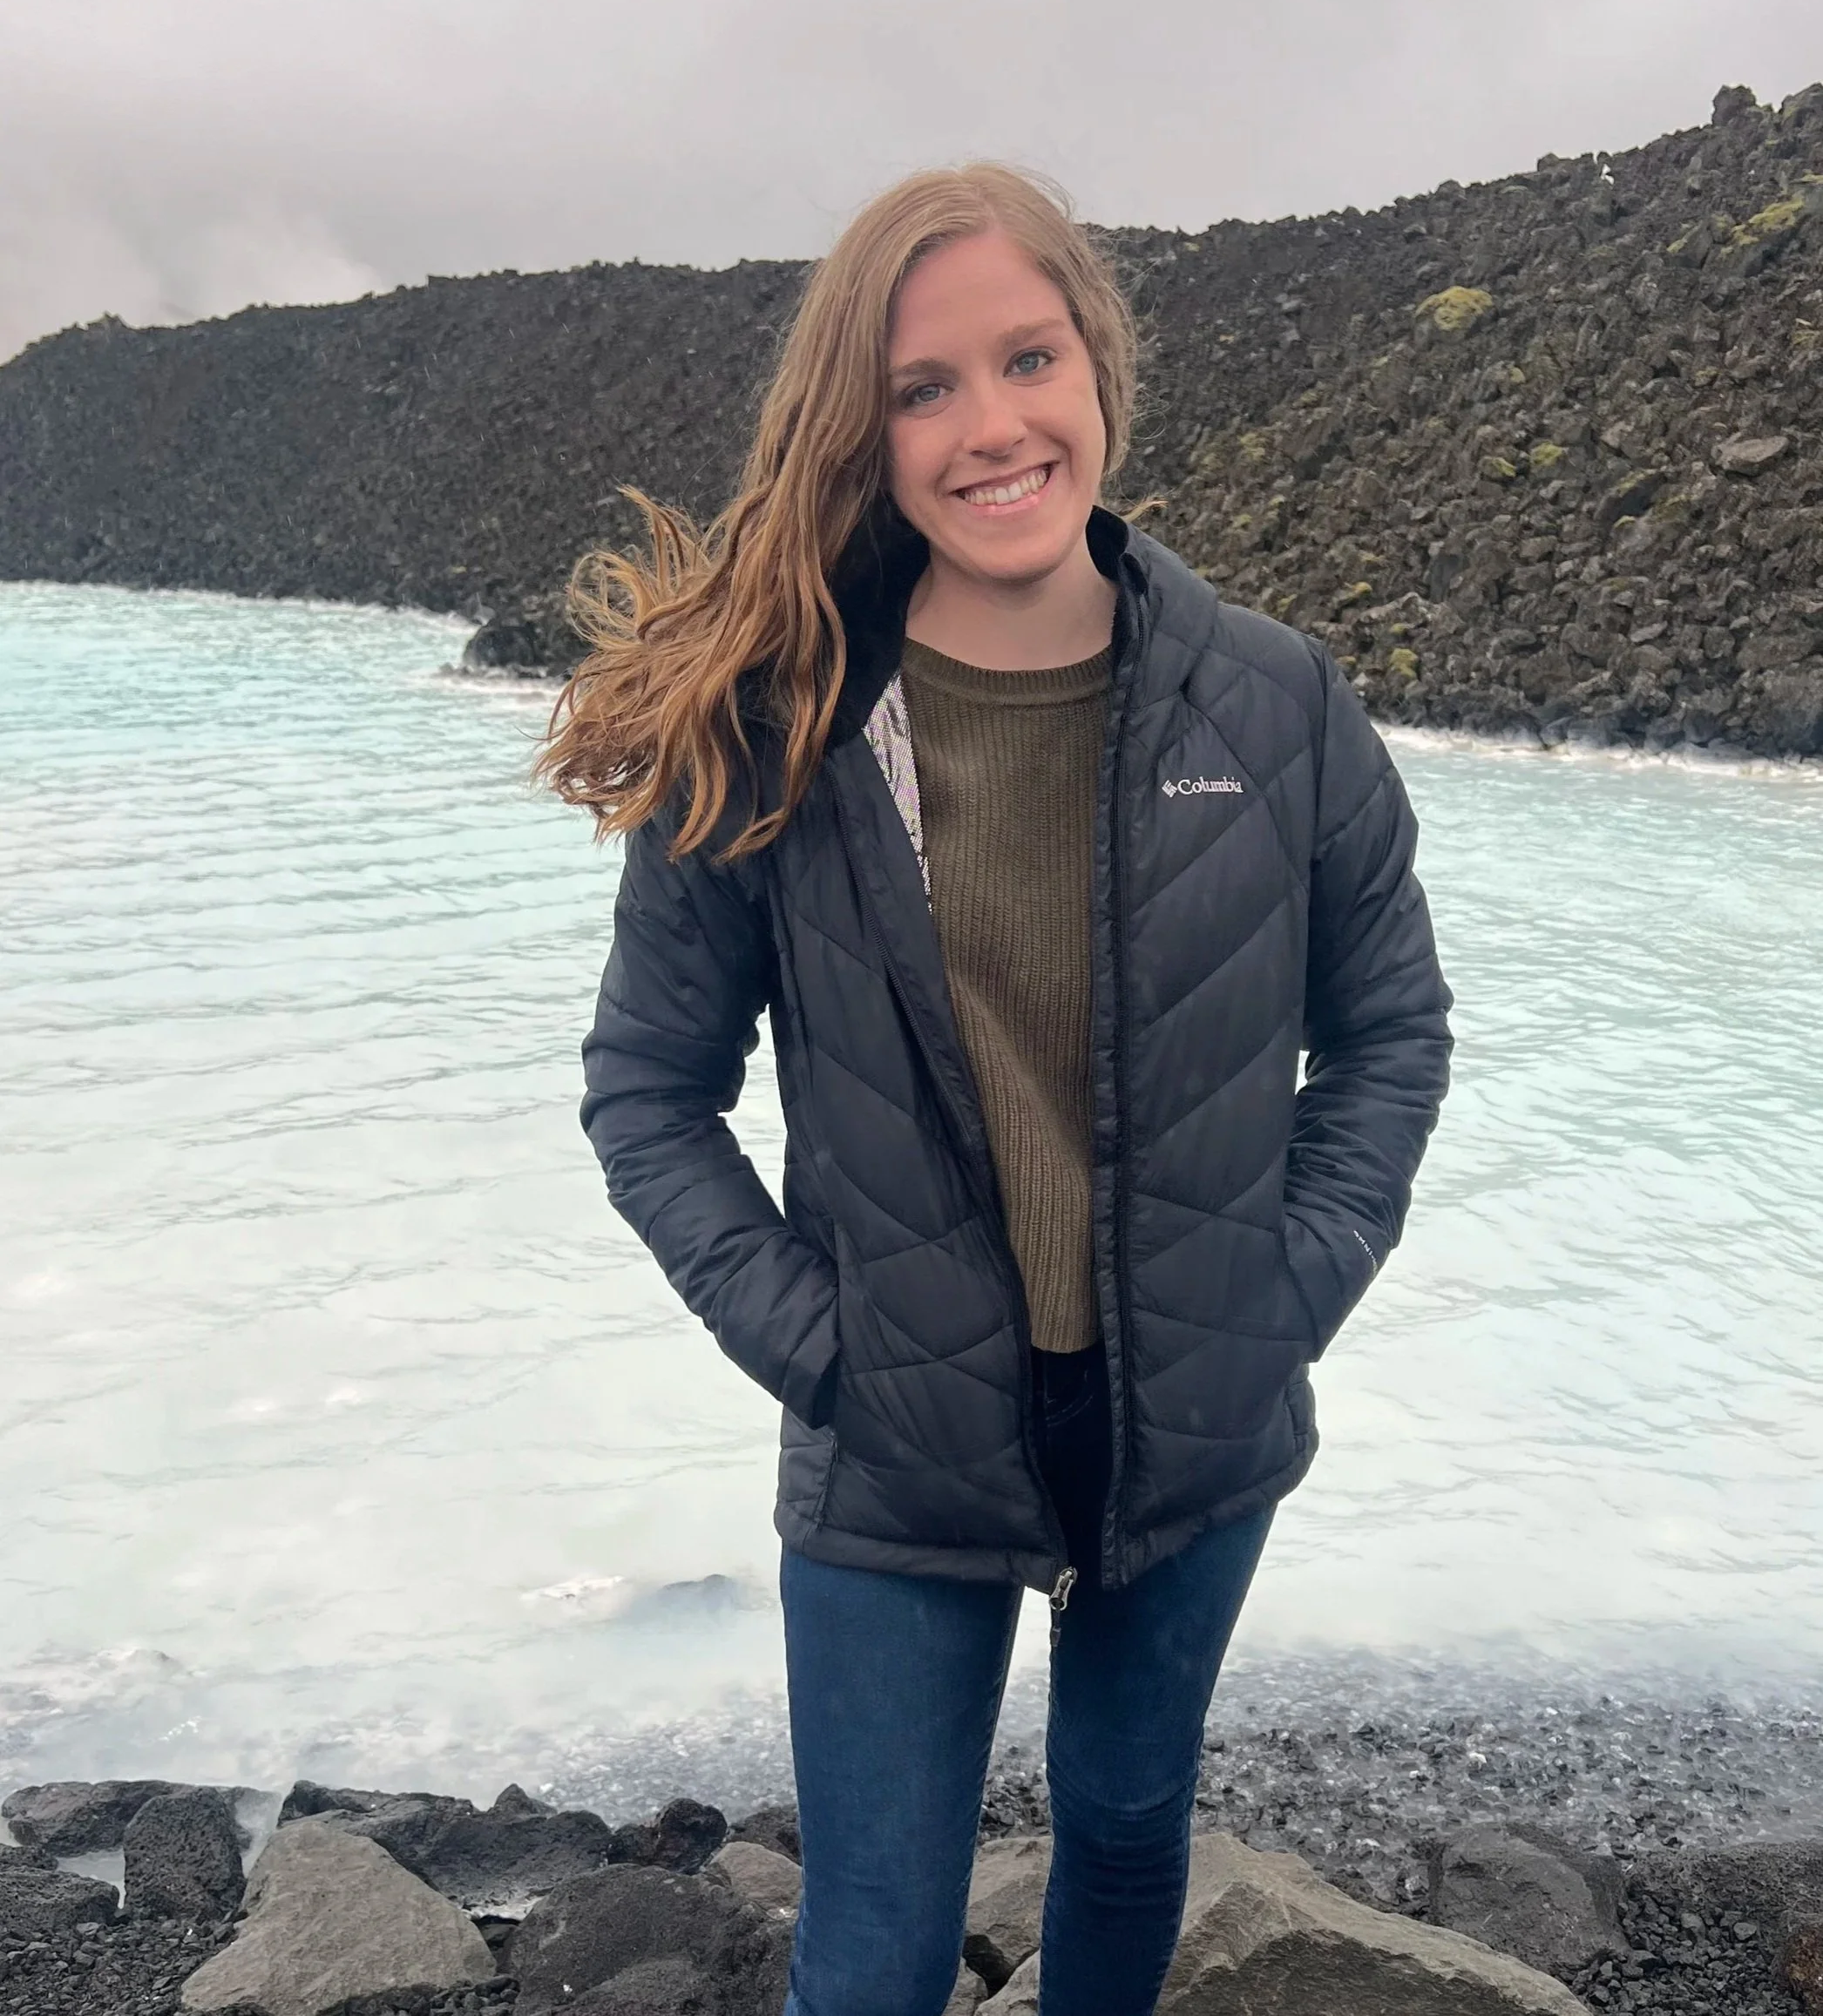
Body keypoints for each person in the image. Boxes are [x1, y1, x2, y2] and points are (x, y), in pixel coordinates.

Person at [536, 163, 1453, 2016]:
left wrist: (1277, 1298)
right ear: (862, 433)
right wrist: (824, 1347)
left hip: (1193, 1417)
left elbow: (1391, 1034)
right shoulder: (777, 724)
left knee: (1121, 1832)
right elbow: (646, 1089)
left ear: (1097, 363)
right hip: (891, 1438)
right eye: (923, 387)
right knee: (875, 1946)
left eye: (1028, 357)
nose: (991, 425)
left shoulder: (1276, 704)